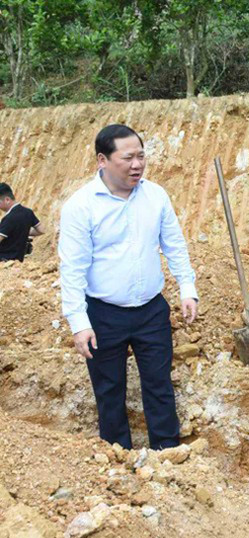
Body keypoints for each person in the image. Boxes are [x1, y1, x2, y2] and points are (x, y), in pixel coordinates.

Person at [59, 124, 198, 450]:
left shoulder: (155, 195)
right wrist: (79, 322)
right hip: (104, 314)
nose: (137, 165)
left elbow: (174, 244)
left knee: (159, 384)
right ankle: (117, 453)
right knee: (109, 389)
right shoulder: (81, 206)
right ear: (102, 160)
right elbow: (72, 268)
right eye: (127, 158)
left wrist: (187, 287)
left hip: (151, 310)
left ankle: (167, 452)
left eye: (141, 156)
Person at [0, 183, 45, 262]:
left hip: (4, 261)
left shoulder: (9, 218)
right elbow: (41, 230)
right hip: (18, 261)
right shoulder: (28, 212)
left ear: (7, 200)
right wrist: (24, 231)